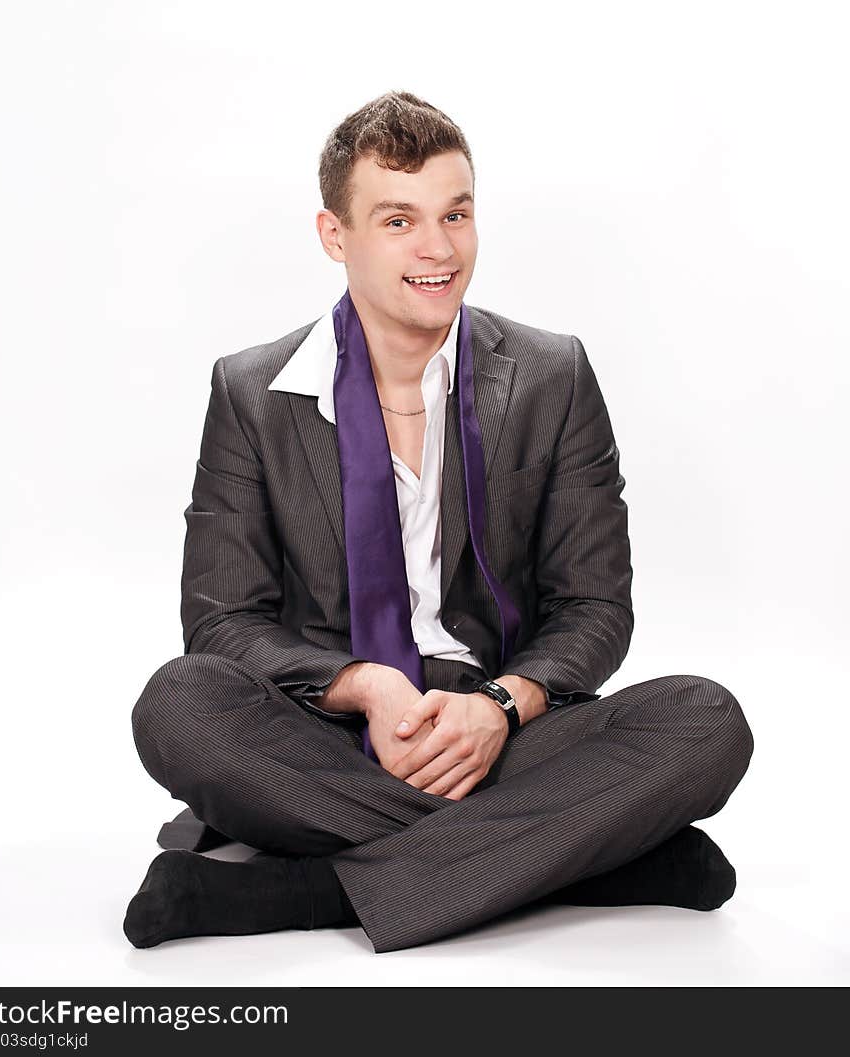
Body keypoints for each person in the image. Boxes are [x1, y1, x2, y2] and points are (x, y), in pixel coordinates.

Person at [123, 91, 754, 955]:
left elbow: (597, 609)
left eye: (456, 214)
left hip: (500, 733)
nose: (439, 248)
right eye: (398, 220)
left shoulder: (549, 374)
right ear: (334, 236)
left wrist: (502, 702)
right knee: (177, 704)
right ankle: (580, 856)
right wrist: (364, 687)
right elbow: (221, 622)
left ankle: (306, 890)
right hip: (330, 735)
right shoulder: (252, 391)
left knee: (704, 719)